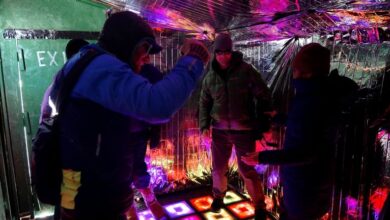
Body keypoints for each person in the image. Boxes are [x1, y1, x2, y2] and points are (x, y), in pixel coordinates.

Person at [39, 11, 209, 220]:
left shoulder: (81, 64)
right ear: (126, 44)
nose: (147, 58)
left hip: (76, 190)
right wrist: (193, 59)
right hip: (93, 200)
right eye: (144, 48)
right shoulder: (102, 68)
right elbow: (157, 105)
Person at [242, 43, 339, 220]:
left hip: (307, 187)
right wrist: (279, 117)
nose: (293, 74)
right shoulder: (314, 95)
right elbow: (305, 127)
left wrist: (262, 157)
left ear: (305, 72)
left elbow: (305, 153)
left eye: (295, 69)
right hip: (305, 183)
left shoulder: (313, 102)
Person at [199, 33, 271, 218]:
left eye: (227, 51)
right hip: (220, 130)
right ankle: (218, 197)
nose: (223, 56)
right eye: (220, 52)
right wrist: (204, 125)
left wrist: (261, 122)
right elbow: (204, 102)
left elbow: (263, 94)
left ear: (232, 52)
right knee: (218, 167)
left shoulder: (246, 71)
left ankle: (260, 206)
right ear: (215, 53)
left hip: (243, 130)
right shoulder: (210, 76)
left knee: (247, 168)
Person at [127, 56, 168, 219]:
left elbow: (158, 100)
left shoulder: (149, 71)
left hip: (139, 129)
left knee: (138, 166)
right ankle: (128, 205)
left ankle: (149, 198)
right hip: (116, 130)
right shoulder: (114, 67)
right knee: (121, 171)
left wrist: (156, 128)